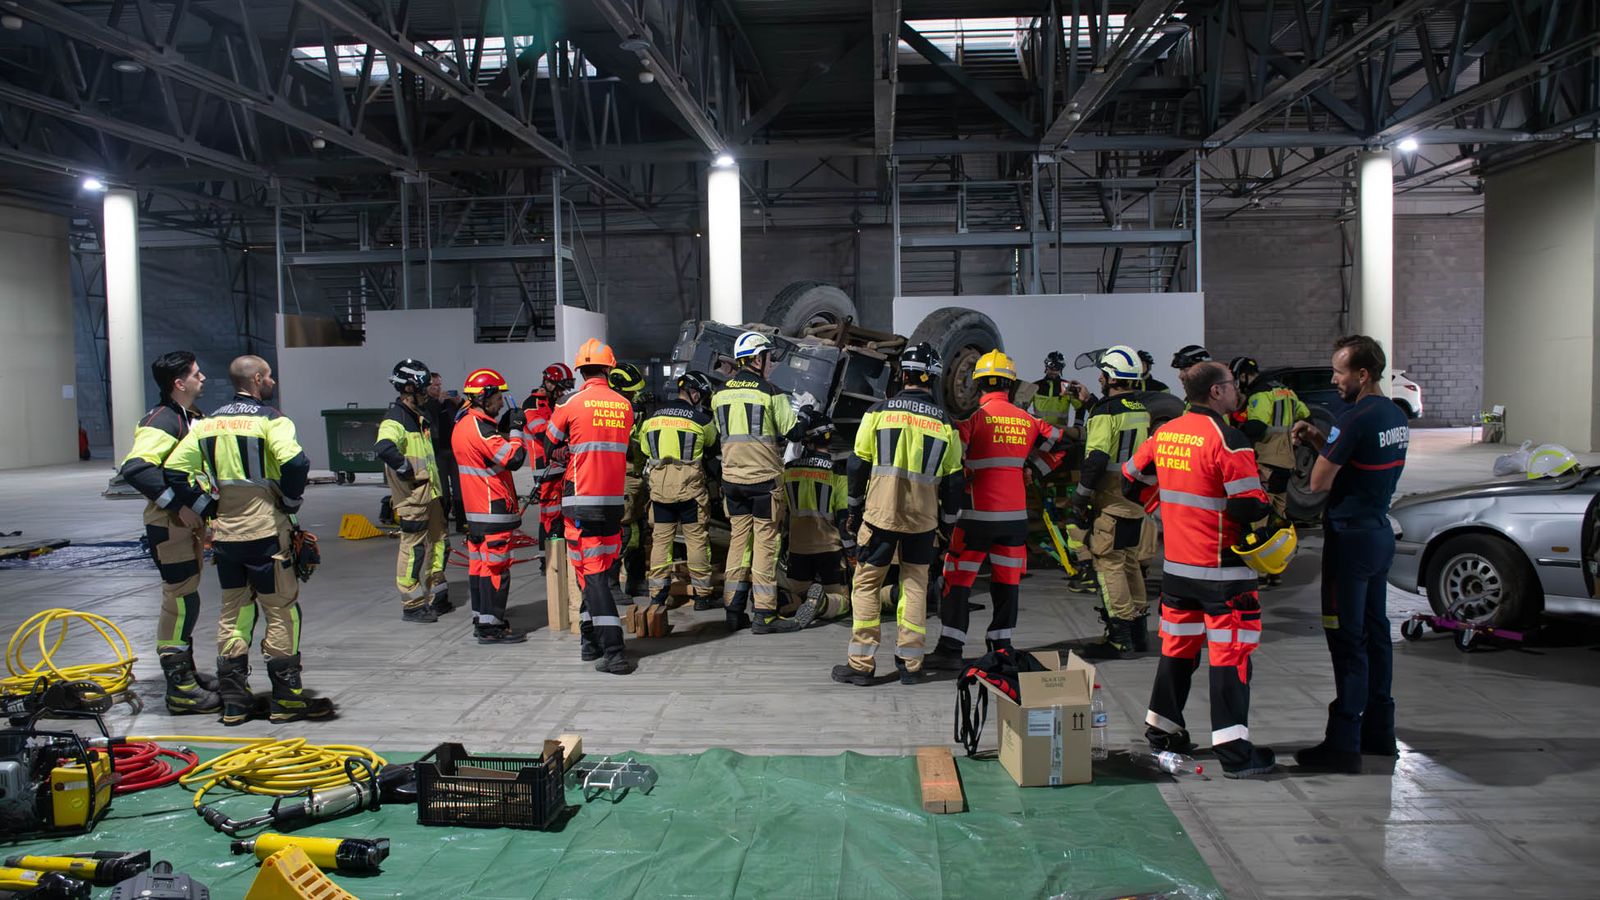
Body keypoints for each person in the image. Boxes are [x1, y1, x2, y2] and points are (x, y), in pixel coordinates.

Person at [1123, 360, 1276, 778]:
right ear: (1216, 391)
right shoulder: (1229, 439)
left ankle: (1163, 732)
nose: (1237, 390)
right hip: (1224, 574)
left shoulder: (1165, 433)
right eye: (1231, 384)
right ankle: (1235, 753)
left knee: (1178, 650)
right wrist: (1265, 497)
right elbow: (1247, 506)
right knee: (1231, 657)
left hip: (1178, 571)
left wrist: (1165, 508)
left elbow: (1129, 481)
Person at [164, 355, 331, 725]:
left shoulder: (207, 424)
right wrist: (290, 502)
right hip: (267, 533)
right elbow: (296, 463)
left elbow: (174, 470)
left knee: (233, 612)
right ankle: (287, 700)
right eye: (268, 376)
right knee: (281, 610)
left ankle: (235, 703)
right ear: (257, 379)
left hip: (226, 535)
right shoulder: (272, 420)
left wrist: (207, 507)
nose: (272, 381)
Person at [1291, 335, 1409, 775]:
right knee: (1377, 635)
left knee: (1346, 638)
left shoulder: (1353, 417)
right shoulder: (1393, 414)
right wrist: (1322, 439)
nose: (1333, 379)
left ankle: (1342, 743)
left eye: (1339, 372)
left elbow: (1319, 482)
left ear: (1362, 374)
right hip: (1378, 533)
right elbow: (1359, 463)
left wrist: (1317, 447)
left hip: (1349, 541)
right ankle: (1379, 734)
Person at [832, 342, 963, 687]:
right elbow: (954, 481)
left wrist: (854, 508)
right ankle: (911, 664)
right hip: (923, 521)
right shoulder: (945, 424)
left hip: (880, 517)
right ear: (933, 379)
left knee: (867, 584)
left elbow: (857, 463)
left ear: (903, 375)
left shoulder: (878, 412)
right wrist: (948, 524)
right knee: (915, 584)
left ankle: (861, 665)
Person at [923, 351, 1062, 670]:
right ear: (1010, 385)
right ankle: (1001, 648)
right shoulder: (1028, 420)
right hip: (1014, 520)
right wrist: (1034, 468)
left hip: (975, 519)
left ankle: (950, 649)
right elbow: (1059, 441)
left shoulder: (973, 421)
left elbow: (952, 464)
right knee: (1007, 582)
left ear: (978, 385)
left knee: (958, 581)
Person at [118, 350, 219, 715]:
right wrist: (179, 506)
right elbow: (136, 468)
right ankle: (179, 689)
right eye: (196, 373)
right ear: (179, 383)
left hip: (186, 526)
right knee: (179, 601)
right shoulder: (161, 420)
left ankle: (186, 673)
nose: (202, 377)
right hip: (169, 525)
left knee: (187, 597)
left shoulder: (190, 417)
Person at [547, 339, 636, 674]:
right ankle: (590, 641)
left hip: (580, 503)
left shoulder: (571, 402)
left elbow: (549, 442)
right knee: (596, 571)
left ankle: (614, 651)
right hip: (612, 504)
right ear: (609, 368)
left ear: (581, 371)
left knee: (593, 575)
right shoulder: (624, 405)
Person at [711, 331, 808, 633]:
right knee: (766, 545)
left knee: (739, 543)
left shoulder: (719, 393)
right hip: (763, 482)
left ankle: (733, 611)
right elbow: (794, 433)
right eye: (768, 357)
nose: (771, 363)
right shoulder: (770, 392)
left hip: (732, 481)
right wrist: (805, 414)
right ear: (756, 359)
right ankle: (764, 614)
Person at [1072, 345, 1153, 659]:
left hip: (1111, 497)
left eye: (1103, 374)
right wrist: (1091, 402)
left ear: (1111, 378)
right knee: (1129, 561)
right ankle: (1138, 633)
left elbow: (1096, 458)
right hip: (1134, 498)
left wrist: (1080, 496)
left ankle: (1119, 638)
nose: (1100, 378)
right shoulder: (1140, 408)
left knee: (1109, 564)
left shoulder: (1105, 413)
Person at [452, 368, 530, 645]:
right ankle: (492, 626)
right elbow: (514, 458)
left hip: (476, 511)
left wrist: (504, 431)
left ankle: (482, 618)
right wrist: (517, 430)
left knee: (480, 567)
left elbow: (488, 460)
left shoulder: (464, 424)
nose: (500, 404)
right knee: (497, 569)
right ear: (484, 398)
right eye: (498, 398)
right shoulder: (482, 431)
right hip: (492, 509)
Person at [374, 359, 453, 623]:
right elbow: (384, 447)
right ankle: (412, 604)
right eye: (423, 388)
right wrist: (405, 469)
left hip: (430, 495)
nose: (427, 392)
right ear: (409, 389)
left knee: (440, 543)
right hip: (414, 498)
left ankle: (437, 595)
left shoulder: (418, 416)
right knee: (413, 550)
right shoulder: (395, 418)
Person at [638, 371, 720, 609]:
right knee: (696, 541)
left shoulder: (652, 419)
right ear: (694, 393)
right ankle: (702, 596)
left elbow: (645, 449)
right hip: (690, 492)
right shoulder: (701, 420)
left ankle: (657, 595)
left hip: (660, 491)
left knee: (661, 542)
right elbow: (713, 447)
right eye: (701, 395)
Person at [1233, 356, 1310, 582]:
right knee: (1279, 517)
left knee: (1259, 517)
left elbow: (1256, 427)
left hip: (1266, 462)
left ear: (1244, 375)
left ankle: (1260, 571)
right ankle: (1277, 569)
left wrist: (1235, 432)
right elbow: (1305, 414)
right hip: (1286, 462)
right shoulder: (1286, 391)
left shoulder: (1260, 394)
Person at [786, 411, 854, 627]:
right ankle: (823, 603)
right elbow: (844, 518)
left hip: (797, 549)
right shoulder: (837, 472)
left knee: (797, 594)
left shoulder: (788, 470)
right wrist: (852, 551)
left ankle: (787, 600)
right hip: (829, 550)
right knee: (843, 601)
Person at [608, 363, 651, 602]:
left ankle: (636, 581)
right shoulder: (612, 413)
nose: (635, 395)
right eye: (631, 392)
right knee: (621, 532)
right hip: (622, 477)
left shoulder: (631, 410)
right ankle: (611, 585)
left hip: (636, 477)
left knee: (639, 531)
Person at [525, 363, 574, 556]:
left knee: (563, 515)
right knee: (549, 516)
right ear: (549, 383)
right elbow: (542, 433)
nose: (562, 392)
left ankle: (560, 558)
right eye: (560, 388)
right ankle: (547, 560)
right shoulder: (533, 403)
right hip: (546, 470)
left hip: (563, 468)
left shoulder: (557, 403)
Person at [423, 372, 466, 532]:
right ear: (427, 386)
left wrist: (459, 402)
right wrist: (438, 402)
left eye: (439, 385)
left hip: (454, 450)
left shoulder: (448, 402)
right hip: (438, 452)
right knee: (443, 490)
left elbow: (466, 413)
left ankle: (462, 522)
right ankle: (442, 524)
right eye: (435, 385)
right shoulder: (425, 403)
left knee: (459, 488)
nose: (438, 388)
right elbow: (427, 417)